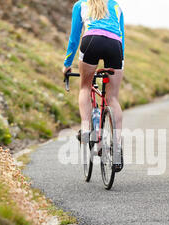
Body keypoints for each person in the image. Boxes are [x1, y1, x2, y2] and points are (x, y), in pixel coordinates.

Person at [63, 0, 125, 171]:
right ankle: (117, 147)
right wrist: (121, 64)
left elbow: (74, 38)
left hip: (91, 40)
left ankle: (85, 128)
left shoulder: (80, 4)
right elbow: (122, 39)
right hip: (115, 47)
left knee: (85, 87)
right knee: (112, 97)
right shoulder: (116, 6)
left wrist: (67, 64)